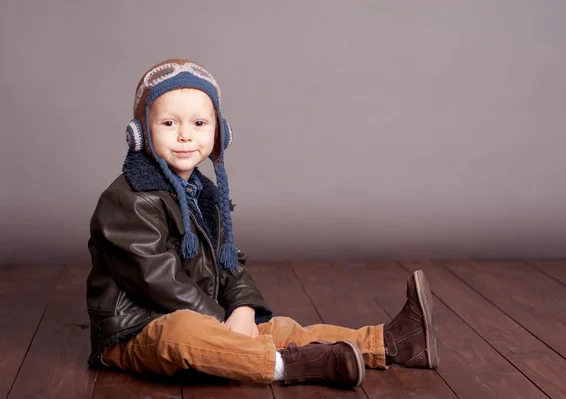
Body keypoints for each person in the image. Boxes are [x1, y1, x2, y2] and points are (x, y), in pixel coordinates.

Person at [86, 58, 440, 390]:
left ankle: (391, 343)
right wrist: (221, 322)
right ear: (139, 133)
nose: (185, 135)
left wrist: (241, 309)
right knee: (184, 331)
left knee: (276, 327)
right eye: (168, 123)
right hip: (135, 330)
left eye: (199, 123)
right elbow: (157, 279)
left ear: (220, 132)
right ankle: (292, 366)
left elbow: (228, 263)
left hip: (206, 316)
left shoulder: (205, 194)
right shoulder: (129, 198)